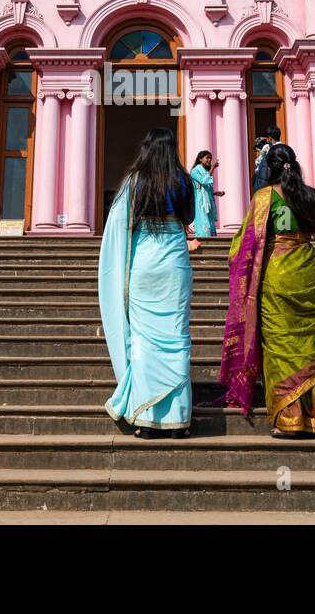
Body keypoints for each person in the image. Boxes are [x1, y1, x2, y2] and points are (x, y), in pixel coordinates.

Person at [217, 143, 315, 439]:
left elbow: (245, 243)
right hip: (307, 273)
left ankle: (291, 417)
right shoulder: (311, 197)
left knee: (280, 346)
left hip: (277, 275)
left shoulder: (264, 197)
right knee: (311, 345)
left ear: (268, 169)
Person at [98, 127, 199, 439]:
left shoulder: (135, 181)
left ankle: (146, 418)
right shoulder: (184, 180)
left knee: (144, 340)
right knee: (176, 336)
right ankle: (178, 420)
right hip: (174, 261)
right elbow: (189, 216)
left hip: (145, 261)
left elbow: (120, 224)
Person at [189, 150, 224, 237]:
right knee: (204, 222)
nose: (209, 160)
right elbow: (203, 182)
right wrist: (213, 168)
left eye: (210, 158)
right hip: (200, 201)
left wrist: (215, 193)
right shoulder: (195, 171)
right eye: (207, 158)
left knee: (210, 222)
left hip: (208, 201)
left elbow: (205, 188)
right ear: (200, 159)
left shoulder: (205, 171)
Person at [251, 125, 281, 193]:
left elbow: (258, 162)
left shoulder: (267, 147)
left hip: (266, 182)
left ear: (269, 138)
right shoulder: (284, 147)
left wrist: (259, 151)